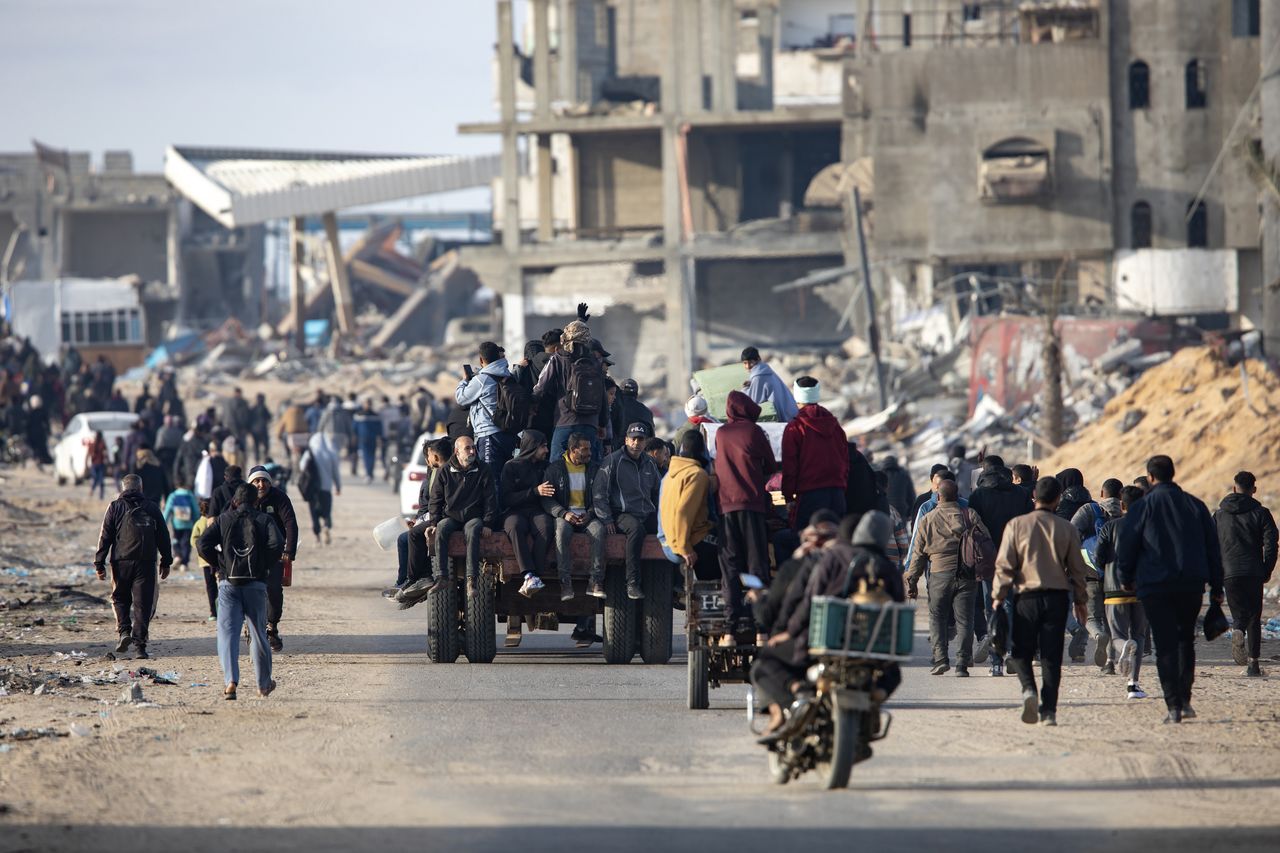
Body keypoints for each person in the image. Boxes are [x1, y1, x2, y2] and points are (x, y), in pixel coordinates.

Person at [757, 513, 905, 739]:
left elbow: (810, 602)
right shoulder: (888, 568)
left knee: (766, 661)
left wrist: (790, 632)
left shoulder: (834, 558)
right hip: (873, 646)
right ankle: (873, 700)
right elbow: (897, 610)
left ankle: (798, 692)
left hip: (826, 641)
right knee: (893, 675)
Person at [1116, 455, 1224, 723]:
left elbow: (1128, 545)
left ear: (1150, 477)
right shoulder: (1196, 505)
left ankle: (1173, 705)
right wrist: (1217, 586)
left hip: (1154, 586)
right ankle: (1185, 699)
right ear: (1173, 474)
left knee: (1165, 645)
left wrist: (1125, 577)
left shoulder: (1142, 507)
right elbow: (1213, 548)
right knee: (1185, 641)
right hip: (1190, 584)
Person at [993, 477, 1091, 727]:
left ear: (1034, 496)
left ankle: (1028, 690)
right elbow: (1077, 569)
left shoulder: (1016, 525)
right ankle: (1049, 711)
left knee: (1022, 650)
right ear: (1058, 499)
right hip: (1057, 598)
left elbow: (1004, 565)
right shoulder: (1066, 528)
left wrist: (998, 596)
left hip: (1026, 597)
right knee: (1051, 655)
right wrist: (1080, 600)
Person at [197, 483, 281, 700]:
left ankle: (231, 681)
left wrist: (219, 563)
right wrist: (263, 566)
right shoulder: (265, 520)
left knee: (227, 634)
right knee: (258, 635)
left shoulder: (224, 519)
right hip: (256, 585)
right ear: (255, 501)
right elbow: (277, 544)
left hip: (228, 584)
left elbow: (202, 543)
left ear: (234, 501)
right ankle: (263, 685)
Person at [906, 479, 991, 677]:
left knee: (937, 617)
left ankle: (941, 659)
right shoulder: (969, 514)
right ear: (958, 496)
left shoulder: (928, 518)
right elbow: (985, 540)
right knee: (965, 619)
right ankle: (962, 664)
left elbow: (918, 554)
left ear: (938, 496)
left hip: (938, 574)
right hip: (967, 574)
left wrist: (912, 580)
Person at [713, 391, 778, 633]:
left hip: (726, 507)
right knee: (756, 564)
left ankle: (730, 629)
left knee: (730, 565)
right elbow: (771, 465)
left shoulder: (720, 433)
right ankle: (759, 626)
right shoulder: (754, 431)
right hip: (752, 505)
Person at [93, 473, 173, 660]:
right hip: (146, 562)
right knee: (143, 604)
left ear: (123, 488)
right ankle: (140, 647)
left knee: (120, 597)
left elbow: (105, 536)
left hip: (121, 562)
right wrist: (166, 561)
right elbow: (163, 535)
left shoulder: (115, 507)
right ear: (140, 488)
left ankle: (124, 632)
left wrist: (99, 562)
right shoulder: (152, 507)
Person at [968, 456, 1034, 675]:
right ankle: (1013, 654)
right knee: (1012, 605)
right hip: (1015, 556)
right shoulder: (1021, 494)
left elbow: (972, 530)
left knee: (992, 606)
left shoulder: (978, 495)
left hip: (987, 559)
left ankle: (996, 660)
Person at [541, 432, 608, 645]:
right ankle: (565, 583)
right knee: (560, 532)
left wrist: (589, 514)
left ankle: (595, 581)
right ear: (572, 450)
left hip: (587, 515)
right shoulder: (554, 469)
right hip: (565, 514)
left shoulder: (594, 469)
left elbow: (600, 497)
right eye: (585, 449)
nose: (589, 453)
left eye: (589, 449)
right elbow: (547, 500)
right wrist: (564, 513)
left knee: (599, 532)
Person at [1214, 470, 1278, 678]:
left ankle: (1238, 629)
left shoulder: (1219, 514)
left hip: (1229, 572)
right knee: (1254, 616)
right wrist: (1266, 569)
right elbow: (1271, 545)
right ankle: (1253, 664)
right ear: (1254, 489)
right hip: (1253, 571)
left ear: (1234, 488)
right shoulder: (1261, 513)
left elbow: (1210, 544)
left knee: (1239, 614)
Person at [594, 423, 663, 601]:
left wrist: (663, 515)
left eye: (640, 439)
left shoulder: (649, 463)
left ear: (645, 441)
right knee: (636, 530)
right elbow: (600, 493)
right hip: (621, 514)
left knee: (671, 529)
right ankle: (632, 582)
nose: (636, 443)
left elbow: (658, 491)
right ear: (626, 440)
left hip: (646, 512)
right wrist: (607, 519)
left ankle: (675, 581)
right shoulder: (613, 461)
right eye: (633, 439)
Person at [425, 435, 499, 598]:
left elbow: (490, 498)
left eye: (473, 447)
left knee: (473, 531)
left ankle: (471, 580)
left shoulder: (483, 469)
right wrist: (433, 522)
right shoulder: (445, 470)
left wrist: (488, 523)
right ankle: (442, 577)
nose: (472, 451)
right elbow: (435, 499)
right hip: (452, 516)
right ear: (457, 452)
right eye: (468, 448)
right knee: (442, 528)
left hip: (474, 517)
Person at [1093, 485, 1150, 699]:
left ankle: (1124, 646)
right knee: (1140, 635)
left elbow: (1098, 558)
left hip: (1113, 590)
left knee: (1117, 635)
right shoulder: (1148, 527)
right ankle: (1133, 685)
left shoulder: (1110, 527)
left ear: (1122, 504)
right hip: (1142, 590)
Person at [532, 321, 610, 461]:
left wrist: (531, 403)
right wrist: (602, 423)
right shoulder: (595, 363)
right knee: (589, 466)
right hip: (590, 423)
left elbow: (541, 386)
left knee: (557, 465)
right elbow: (602, 395)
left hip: (565, 421)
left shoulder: (559, 358)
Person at [780, 376, 849, 529]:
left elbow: (790, 464)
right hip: (837, 494)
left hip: (810, 495)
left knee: (808, 541)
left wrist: (788, 496)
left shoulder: (795, 428)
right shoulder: (834, 425)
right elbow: (845, 459)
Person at [1071, 477, 1124, 672]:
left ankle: (1097, 635)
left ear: (1102, 494)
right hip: (1115, 575)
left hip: (1090, 572)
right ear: (1121, 495)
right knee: (1112, 619)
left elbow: (1072, 534)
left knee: (1090, 617)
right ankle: (1110, 662)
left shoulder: (1089, 510)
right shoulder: (1126, 515)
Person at [247, 465, 299, 652]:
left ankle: (272, 626)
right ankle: (251, 624)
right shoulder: (244, 497)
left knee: (274, 590)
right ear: (250, 483)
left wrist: (289, 551)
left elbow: (290, 523)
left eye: (264, 480)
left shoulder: (279, 497)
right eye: (257, 481)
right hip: (248, 554)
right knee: (247, 589)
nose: (261, 485)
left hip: (273, 553)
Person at [391, 438, 450, 601]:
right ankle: (406, 581)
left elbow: (439, 503)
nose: (428, 460)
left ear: (435, 457)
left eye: (429, 456)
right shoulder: (433, 474)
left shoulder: (444, 472)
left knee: (411, 536)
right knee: (407, 536)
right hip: (433, 516)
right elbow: (427, 504)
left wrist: (432, 522)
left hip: (443, 518)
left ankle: (416, 579)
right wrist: (419, 519)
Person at [501, 430, 557, 599]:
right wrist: (534, 491)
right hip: (514, 511)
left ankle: (536, 575)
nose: (546, 451)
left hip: (537, 511)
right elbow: (506, 498)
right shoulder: (511, 466)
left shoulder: (546, 466)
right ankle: (528, 574)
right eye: (543, 447)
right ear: (532, 447)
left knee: (546, 526)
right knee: (515, 526)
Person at [456, 341, 518, 492]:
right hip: (508, 433)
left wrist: (464, 381)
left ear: (481, 360)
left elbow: (461, 398)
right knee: (505, 478)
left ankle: (493, 515)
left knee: (490, 479)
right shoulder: (508, 375)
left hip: (489, 435)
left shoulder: (481, 380)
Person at [299, 433, 342, 546]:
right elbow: (335, 473)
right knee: (326, 512)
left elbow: (302, 467)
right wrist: (338, 486)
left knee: (314, 514)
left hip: (313, 488)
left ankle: (317, 537)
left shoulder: (309, 453)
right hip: (326, 488)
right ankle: (327, 526)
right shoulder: (330, 454)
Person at [740, 346, 798, 422]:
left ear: (758, 359)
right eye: (745, 363)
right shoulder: (765, 370)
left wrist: (744, 389)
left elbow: (753, 400)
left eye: (750, 362)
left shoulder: (758, 376)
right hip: (792, 412)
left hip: (786, 418)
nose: (748, 366)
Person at [189, 498, 218, 621]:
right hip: (217, 559)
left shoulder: (198, 524)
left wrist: (201, 549)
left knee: (210, 586)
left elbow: (193, 540)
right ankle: (222, 609)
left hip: (204, 561)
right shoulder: (216, 521)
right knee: (221, 585)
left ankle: (213, 612)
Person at [163, 483, 199, 571]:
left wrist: (164, 522)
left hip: (176, 523)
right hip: (188, 524)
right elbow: (195, 510)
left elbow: (167, 510)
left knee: (176, 540)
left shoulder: (173, 495)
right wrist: (196, 521)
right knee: (186, 543)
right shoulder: (190, 495)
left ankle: (177, 556)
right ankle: (184, 563)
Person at [612, 379, 655, 447]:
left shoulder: (612, 406)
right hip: (638, 450)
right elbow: (651, 438)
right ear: (636, 394)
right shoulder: (646, 411)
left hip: (614, 449)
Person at [353, 399, 384, 484]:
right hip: (363, 439)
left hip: (372, 439)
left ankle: (369, 473)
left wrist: (380, 438)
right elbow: (354, 428)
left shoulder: (375, 415)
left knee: (371, 457)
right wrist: (354, 438)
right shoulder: (359, 415)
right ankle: (368, 473)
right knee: (365, 457)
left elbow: (379, 428)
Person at [878, 456, 915, 524]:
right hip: (901, 510)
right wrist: (910, 513)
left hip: (885, 510)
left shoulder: (880, 475)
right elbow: (911, 495)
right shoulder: (904, 474)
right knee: (901, 532)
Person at [276, 402, 310, 467]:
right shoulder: (301, 412)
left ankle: (288, 458)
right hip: (304, 436)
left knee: (286, 441)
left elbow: (281, 426)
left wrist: (278, 436)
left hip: (293, 437)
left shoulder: (287, 413)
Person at [248, 393, 271, 463]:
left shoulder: (253, 408)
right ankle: (265, 460)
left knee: (256, 446)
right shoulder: (264, 408)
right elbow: (269, 417)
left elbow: (249, 419)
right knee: (266, 446)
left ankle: (257, 461)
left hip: (254, 431)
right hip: (263, 430)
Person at [87, 430, 109, 500]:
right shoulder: (96, 444)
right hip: (97, 464)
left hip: (99, 464)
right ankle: (96, 492)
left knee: (99, 480)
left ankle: (100, 495)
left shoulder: (100, 444)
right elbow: (88, 454)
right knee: (98, 479)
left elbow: (105, 454)